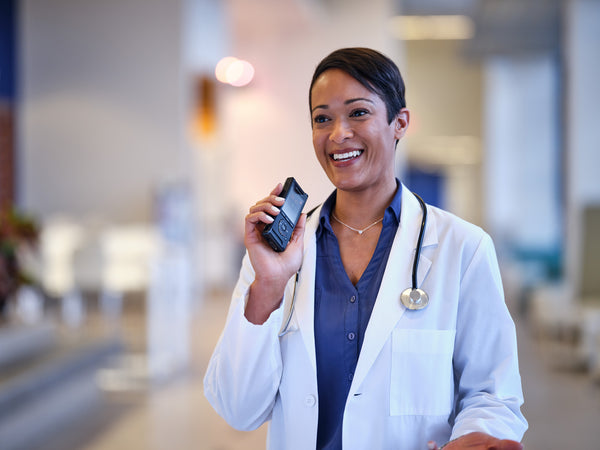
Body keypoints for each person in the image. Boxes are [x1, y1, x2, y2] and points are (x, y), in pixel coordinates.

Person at [204, 47, 527, 450]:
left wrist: (475, 437)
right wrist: (268, 288)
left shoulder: (463, 248)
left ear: (399, 123)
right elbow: (239, 409)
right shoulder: (277, 255)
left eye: (358, 112)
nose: (339, 134)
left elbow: (492, 394)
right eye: (322, 118)